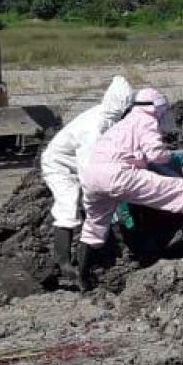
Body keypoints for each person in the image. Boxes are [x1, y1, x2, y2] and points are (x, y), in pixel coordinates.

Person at [77, 88, 183, 290]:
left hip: (91, 177)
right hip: (117, 175)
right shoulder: (146, 120)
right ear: (157, 108)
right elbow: (155, 154)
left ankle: (82, 278)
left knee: (94, 227)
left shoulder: (123, 124)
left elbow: (129, 154)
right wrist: (173, 157)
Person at [40, 76, 134, 286]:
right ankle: (63, 262)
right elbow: (89, 175)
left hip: (81, 162)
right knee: (68, 203)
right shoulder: (92, 130)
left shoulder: (111, 117)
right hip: (60, 165)